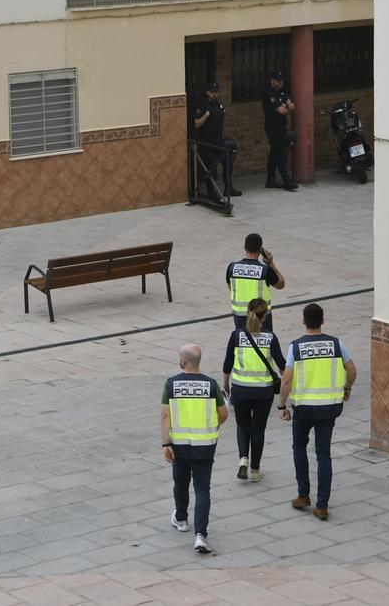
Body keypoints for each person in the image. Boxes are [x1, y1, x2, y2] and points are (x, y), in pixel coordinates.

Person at [278, 303, 358, 521]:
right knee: (323, 454)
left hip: (303, 408)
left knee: (299, 447)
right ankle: (322, 505)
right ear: (323, 320)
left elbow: (286, 379)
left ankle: (303, 495)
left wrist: (282, 406)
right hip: (329, 408)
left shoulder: (295, 347)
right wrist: (346, 389)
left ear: (303, 322)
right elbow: (352, 370)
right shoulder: (336, 344)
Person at [161, 343, 229, 553]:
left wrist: (165, 444)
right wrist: (212, 425)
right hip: (205, 446)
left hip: (179, 446)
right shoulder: (210, 385)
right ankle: (201, 535)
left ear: (184, 360)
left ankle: (181, 519)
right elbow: (223, 413)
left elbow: (165, 415)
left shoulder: (171, 384)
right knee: (202, 489)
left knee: (180, 483)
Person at [222, 298, 286, 483]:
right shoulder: (270, 337)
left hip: (240, 390)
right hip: (263, 393)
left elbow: (227, 365)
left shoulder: (236, 336)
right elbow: (282, 364)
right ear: (264, 316)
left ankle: (243, 458)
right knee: (258, 429)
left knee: (242, 425)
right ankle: (255, 469)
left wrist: (226, 386)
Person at [227, 233, 285, 330]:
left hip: (240, 318)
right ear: (260, 250)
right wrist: (271, 263)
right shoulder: (265, 270)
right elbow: (281, 284)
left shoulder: (232, 268)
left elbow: (231, 288)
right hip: (261, 318)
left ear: (245, 247)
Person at [193, 82, 242, 198]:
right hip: (207, 140)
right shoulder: (203, 105)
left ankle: (228, 188)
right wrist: (206, 116)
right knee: (210, 166)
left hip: (218, 138)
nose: (215, 94)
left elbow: (224, 114)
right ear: (208, 92)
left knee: (227, 161)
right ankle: (211, 191)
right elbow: (196, 124)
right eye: (212, 92)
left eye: (216, 92)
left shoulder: (218, 105)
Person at [261, 70, 299, 191]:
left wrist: (286, 104)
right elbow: (281, 110)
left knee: (274, 154)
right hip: (272, 128)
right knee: (281, 153)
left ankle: (270, 180)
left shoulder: (281, 91)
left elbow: (288, 101)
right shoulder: (268, 92)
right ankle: (287, 181)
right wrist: (288, 108)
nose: (280, 82)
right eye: (278, 81)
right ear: (272, 81)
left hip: (281, 127)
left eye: (281, 80)